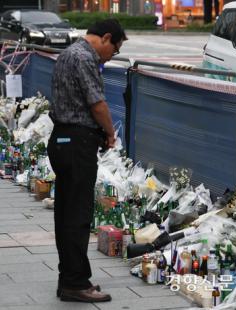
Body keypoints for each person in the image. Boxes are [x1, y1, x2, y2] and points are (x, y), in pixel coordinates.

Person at [47, 19, 127, 303]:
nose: (111, 56)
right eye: (114, 50)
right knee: (78, 216)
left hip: (62, 139)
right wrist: (110, 133)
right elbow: (97, 103)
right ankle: (75, 282)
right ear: (105, 38)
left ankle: (70, 277)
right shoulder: (84, 57)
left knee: (67, 215)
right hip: (77, 143)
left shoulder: (68, 53)